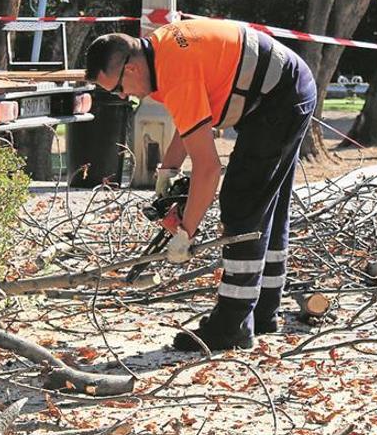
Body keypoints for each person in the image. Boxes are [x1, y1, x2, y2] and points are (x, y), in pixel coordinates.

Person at [85, 19, 315, 351]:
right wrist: (169, 168)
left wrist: (185, 234)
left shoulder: (173, 70)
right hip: (285, 88)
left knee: (241, 203)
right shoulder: (159, 54)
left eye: (119, 89)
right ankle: (264, 309)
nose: (124, 97)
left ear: (131, 69)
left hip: (281, 96)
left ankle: (232, 325)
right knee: (268, 205)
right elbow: (191, 117)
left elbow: (208, 169)